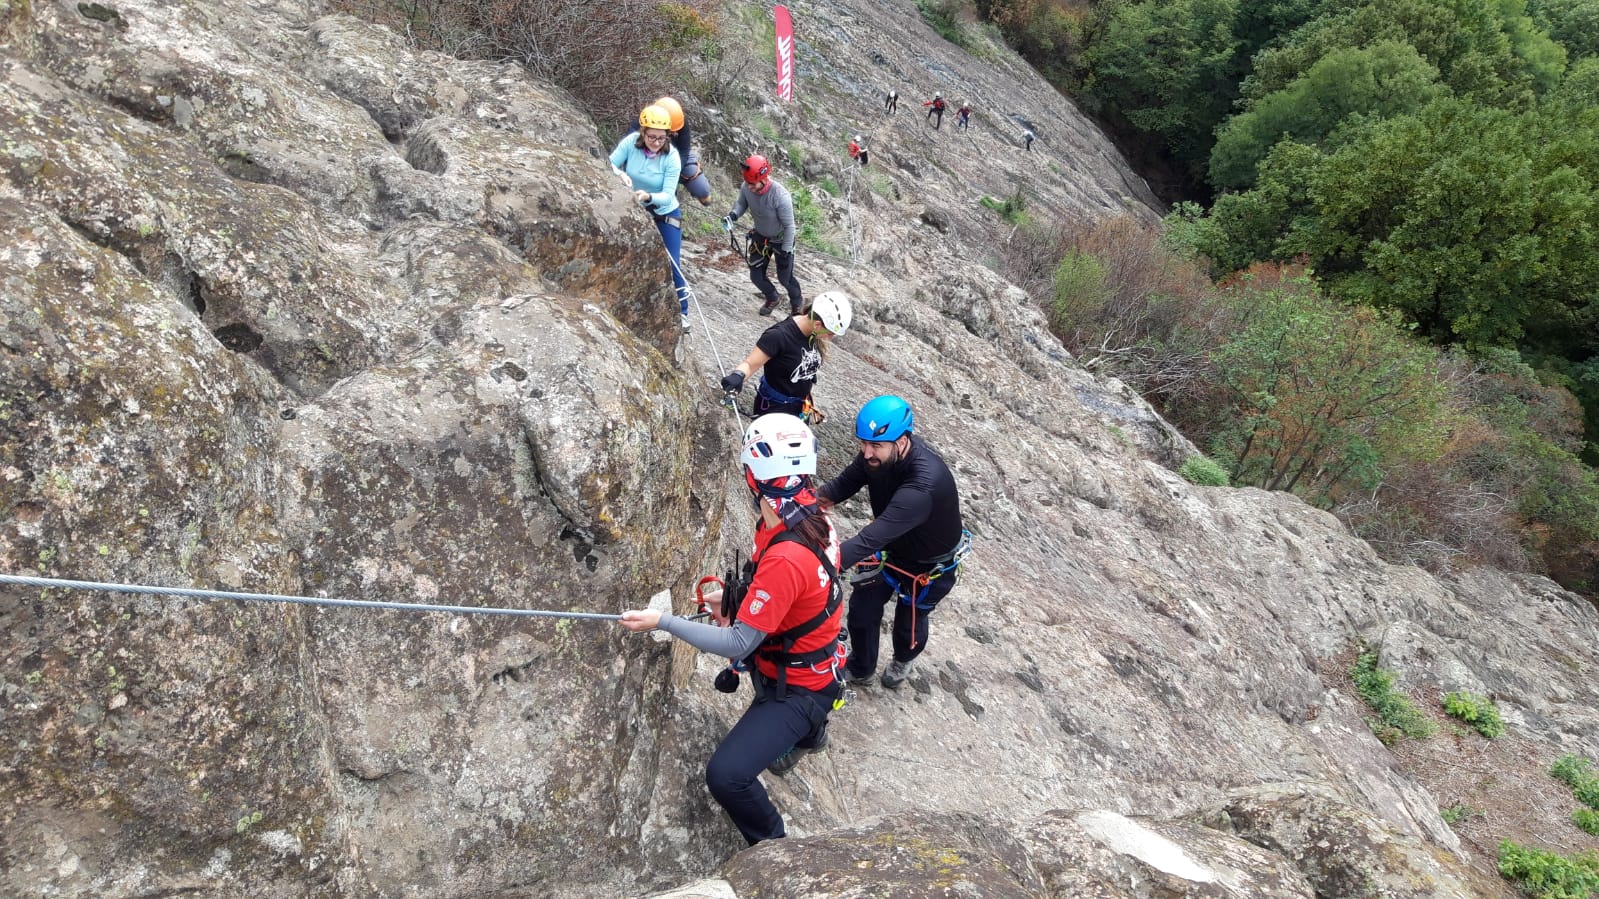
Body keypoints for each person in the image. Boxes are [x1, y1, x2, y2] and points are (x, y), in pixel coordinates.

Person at [620, 413, 846, 845]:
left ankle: (774, 846)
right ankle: (809, 732)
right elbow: (794, 595)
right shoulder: (806, 515)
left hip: (801, 688)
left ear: (752, 475)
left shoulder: (786, 552)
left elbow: (739, 641)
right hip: (808, 662)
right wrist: (735, 599)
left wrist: (664, 622)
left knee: (727, 776)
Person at [817, 396, 966, 690]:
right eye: (863, 443)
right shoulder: (875, 456)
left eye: (875, 446)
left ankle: (903, 659)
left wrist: (816, 565)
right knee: (862, 610)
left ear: (901, 441)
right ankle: (861, 668)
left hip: (929, 565)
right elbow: (841, 486)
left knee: (909, 623)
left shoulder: (924, 484)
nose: (866, 453)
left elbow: (871, 538)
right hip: (892, 549)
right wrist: (799, 506)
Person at [611, 104, 689, 330]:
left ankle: (683, 312)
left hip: (664, 213)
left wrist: (648, 196)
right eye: (652, 137)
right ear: (643, 132)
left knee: (673, 263)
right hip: (635, 207)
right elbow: (610, 162)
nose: (656, 142)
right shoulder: (630, 143)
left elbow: (668, 195)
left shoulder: (672, 157)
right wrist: (621, 174)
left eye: (661, 138)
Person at [721, 291, 852, 423]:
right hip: (774, 409)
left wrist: (810, 400)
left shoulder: (812, 335)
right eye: (831, 333)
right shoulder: (778, 336)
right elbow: (749, 364)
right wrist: (737, 376)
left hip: (800, 408)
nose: (831, 337)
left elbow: (806, 375)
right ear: (817, 325)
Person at [722, 155, 803, 317]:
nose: (749, 187)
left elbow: (789, 226)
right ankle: (772, 297)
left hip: (781, 240)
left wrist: (786, 250)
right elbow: (742, 203)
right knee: (756, 276)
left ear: (764, 179)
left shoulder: (780, 196)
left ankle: (797, 305)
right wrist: (733, 215)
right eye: (748, 183)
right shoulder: (747, 186)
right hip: (760, 236)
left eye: (753, 184)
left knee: (785, 279)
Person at [653, 96, 713, 207]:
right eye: (671, 131)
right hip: (653, 160)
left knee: (703, 190)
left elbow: (684, 150)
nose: (674, 133)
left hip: (677, 156)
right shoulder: (642, 127)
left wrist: (673, 171)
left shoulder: (679, 122)